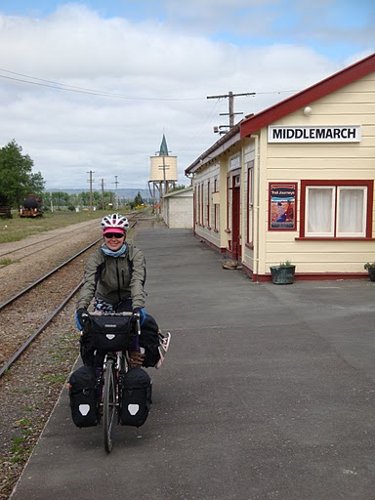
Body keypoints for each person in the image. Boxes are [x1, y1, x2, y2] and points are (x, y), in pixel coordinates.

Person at [75, 213, 146, 367]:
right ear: (104, 236)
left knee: (139, 322)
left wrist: (137, 306)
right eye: (109, 234)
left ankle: (134, 353)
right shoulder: (97, 257)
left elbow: (137, 281)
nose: (113, 238)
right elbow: (89, 283)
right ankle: (95, 371)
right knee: (95, 333)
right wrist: (82, 307)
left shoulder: (135, 254)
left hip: (128, 298)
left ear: (124, 235)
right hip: (105, 299)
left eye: (118, 234)